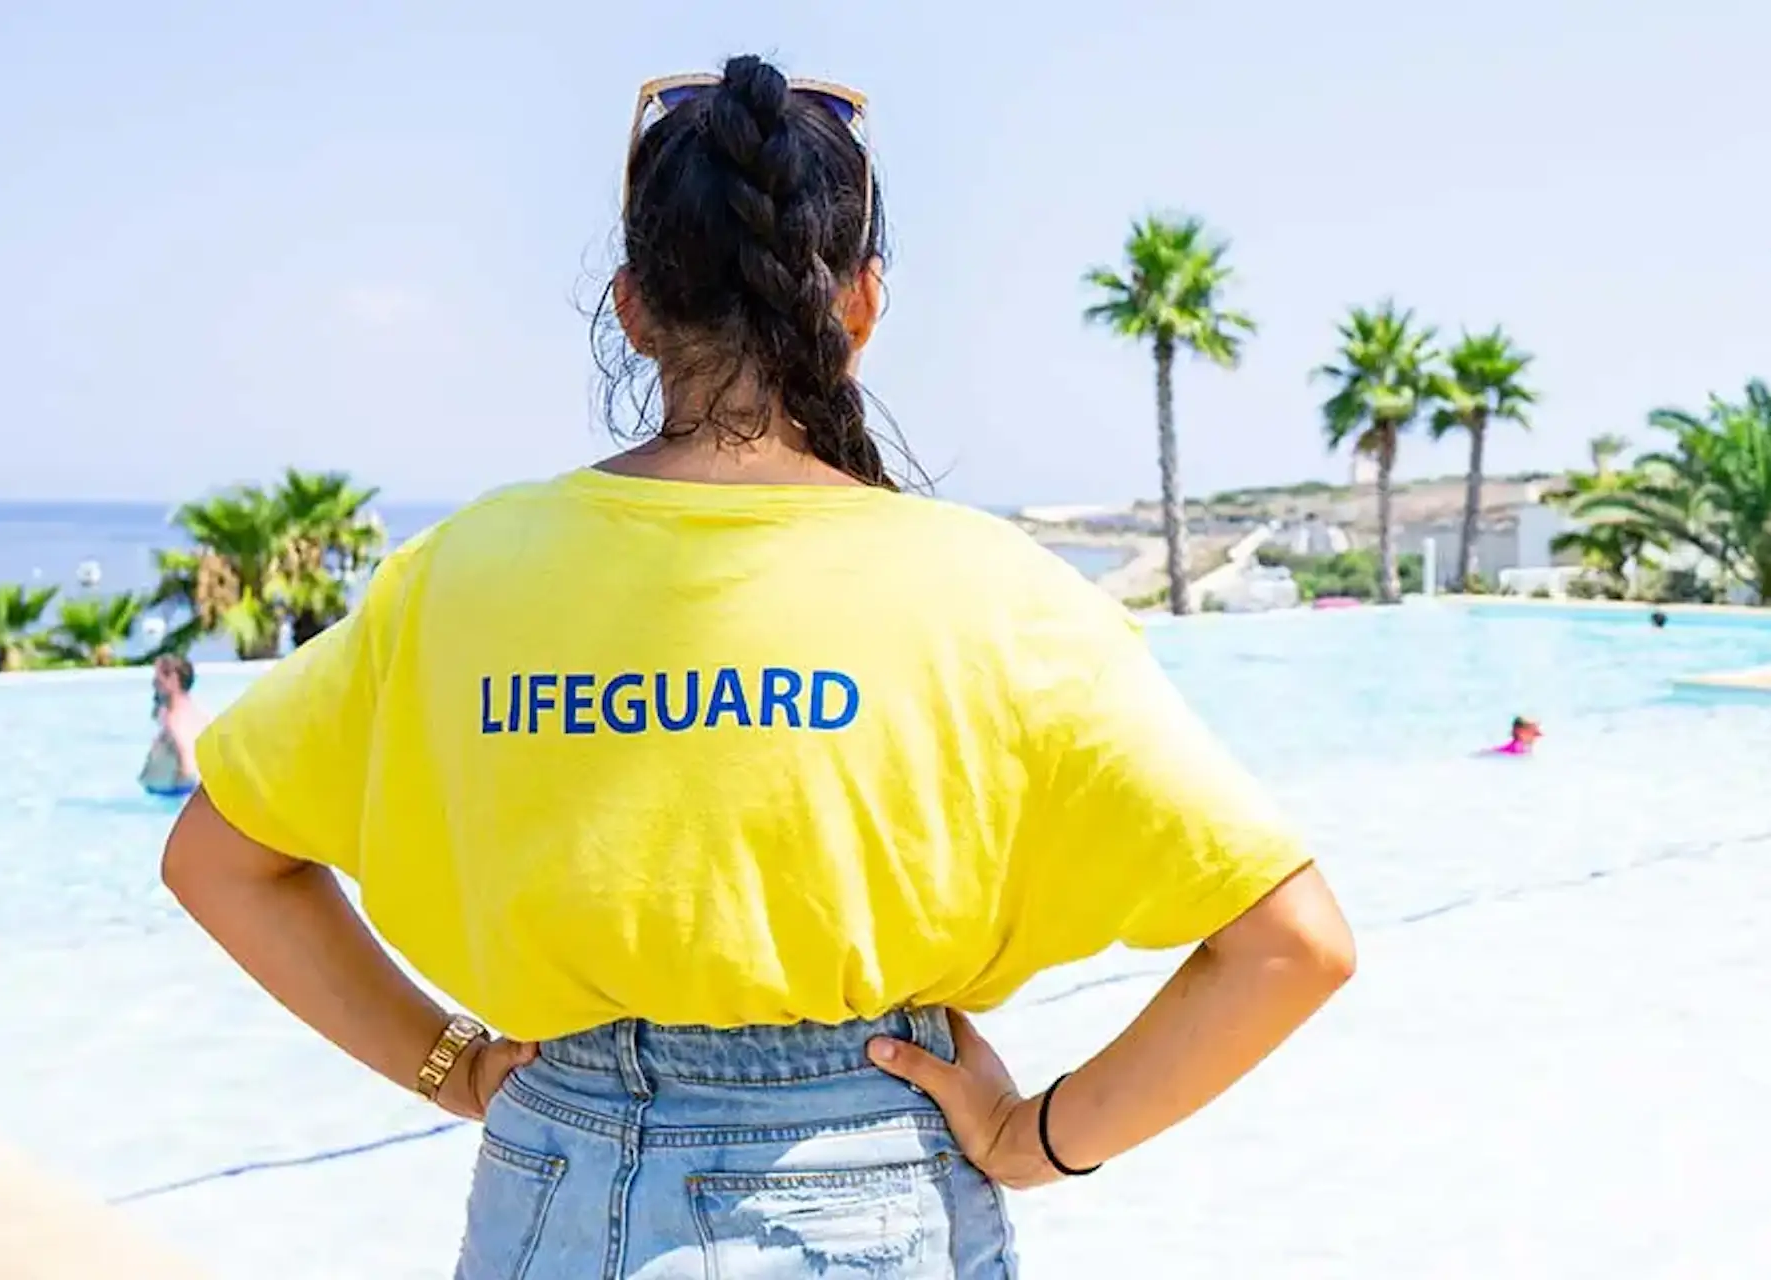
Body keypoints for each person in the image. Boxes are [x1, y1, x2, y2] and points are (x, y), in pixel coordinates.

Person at [160, 55, 1354, 1278]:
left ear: (631, 304)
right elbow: (1291, 943)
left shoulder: (459, 572)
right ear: (862, 302)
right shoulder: (993, 591)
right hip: (864, 1187)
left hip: (545, 1183)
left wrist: (449, 1060)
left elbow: (217, 855)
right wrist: (1035, 1134)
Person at [139, 654, 206, 797]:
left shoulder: (175, 719)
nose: (154, 683)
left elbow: (188, 764)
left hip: (171, 797)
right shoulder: (196, 712)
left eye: (158, 678)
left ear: (173, 679)